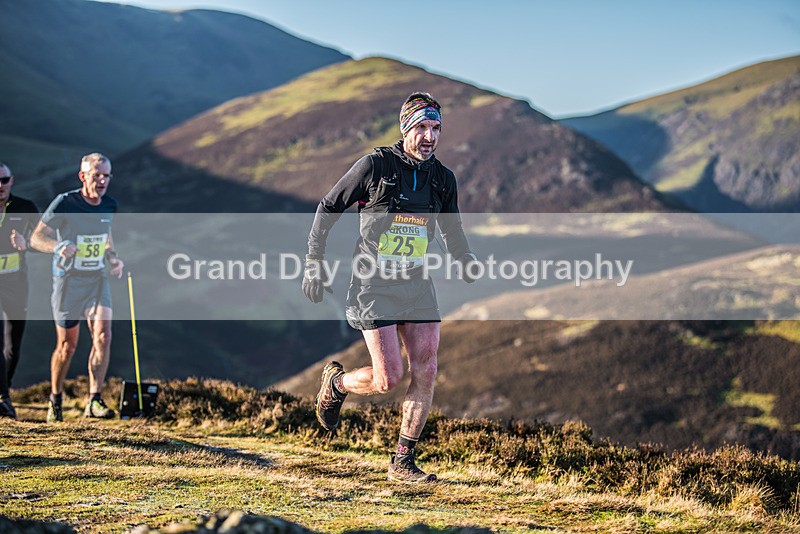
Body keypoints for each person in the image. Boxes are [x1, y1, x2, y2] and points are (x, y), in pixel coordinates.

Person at [303, 92, 478, 483]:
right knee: (388, 380)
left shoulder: (443, 179)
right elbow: (328, 208)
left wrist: (463, 257)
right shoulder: (374, 166)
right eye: (421, 127)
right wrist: (314, 262)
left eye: (436, 128)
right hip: (373, 285)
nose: (430, 136)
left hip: (416, 285)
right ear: (405, 128)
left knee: (427, 368)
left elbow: (452, 227)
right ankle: (337, 383)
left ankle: (402, 461)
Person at [30, 153, 124, 423]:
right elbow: (37, 237)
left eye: (107, 175)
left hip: (97, 279)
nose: (103, 180)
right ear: (83, 176)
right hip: (68, 281)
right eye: (97, 175)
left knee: (104, 336)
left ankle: (94, 400)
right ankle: (55, 399)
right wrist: (58, 247)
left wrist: (113, 258)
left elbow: (106, 237)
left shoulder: (109, 205)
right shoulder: (65, 203)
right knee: (67, 346)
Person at [0, 162, 39, 419]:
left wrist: (27, 245)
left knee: (14, 342)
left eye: (3, 180)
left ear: (12, 180)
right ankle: (3, 397)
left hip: (15, 280)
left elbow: (43, 241)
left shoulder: (26, 208)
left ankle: (6, 389)